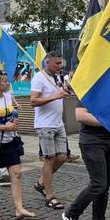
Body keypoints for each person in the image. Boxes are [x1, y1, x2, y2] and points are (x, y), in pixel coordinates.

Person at [0, 69, 36, 220]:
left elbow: (11, 115)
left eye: (6, 79)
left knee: (16, 173)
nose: (7, 82)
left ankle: (19, 208)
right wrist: (5, 127)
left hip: (10, 141)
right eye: (4, 80)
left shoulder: (7, 96)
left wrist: (14, 122)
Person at [62, 100, 110, 220]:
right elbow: (80, 115)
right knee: (98, 184)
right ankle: (71, 214)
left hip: (109, 142)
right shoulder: (90, 90)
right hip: (91, 143)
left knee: (105, 186)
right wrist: (108, 122)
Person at [31, 52, 68, 209]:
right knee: (50, 159)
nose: (60, 66)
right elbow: (33, 101)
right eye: (57, 64)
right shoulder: (39, 78)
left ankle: (41, 182)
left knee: (63, 157)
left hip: (58, 124)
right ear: (48, 63)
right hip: (45, 125)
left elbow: (60, 95)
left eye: (61, 63)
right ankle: (49, 195)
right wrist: (55, 97)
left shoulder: (57, 78)